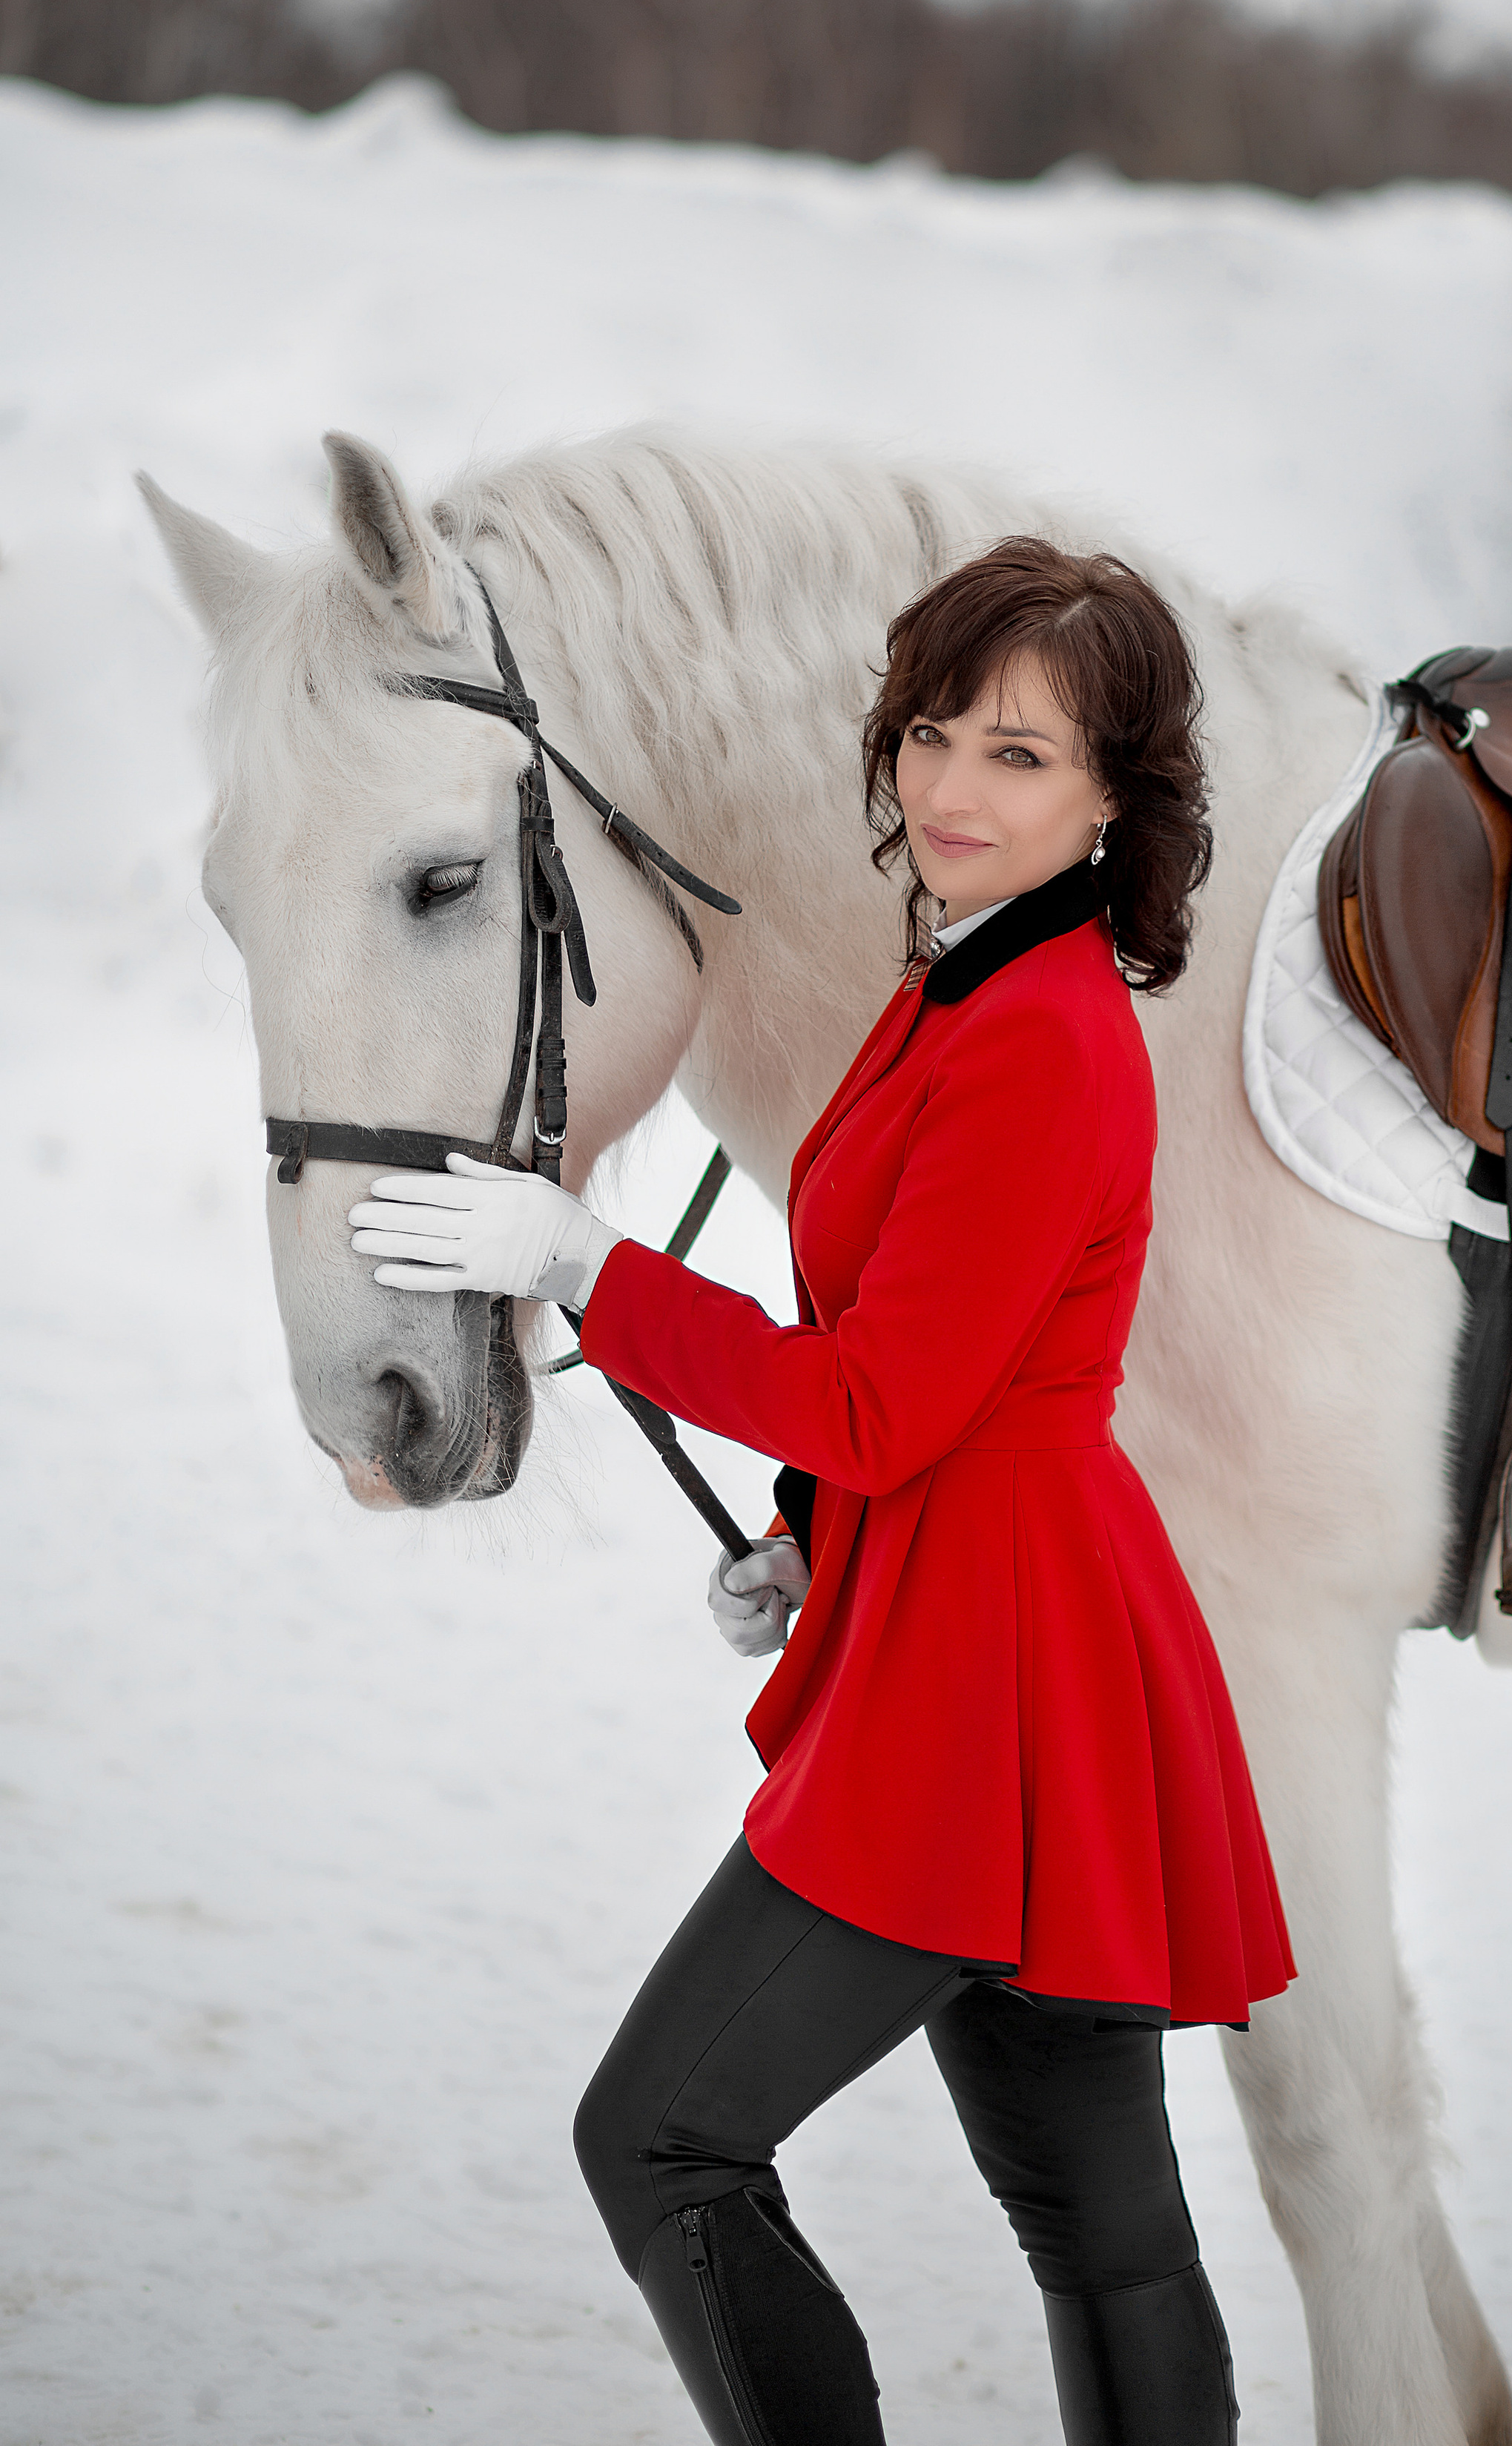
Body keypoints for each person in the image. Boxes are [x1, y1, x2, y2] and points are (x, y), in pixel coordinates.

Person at [348, 538, 1295, 2445]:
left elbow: (876, 1399)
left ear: (1116, 797)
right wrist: (809, 1538)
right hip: (1003, 1610)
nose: (948, 789)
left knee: (661, 2137)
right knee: (1099, 2227)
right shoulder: (965, 985)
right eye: (932, 732)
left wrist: (584, 1268)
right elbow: (929, 1385)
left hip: (988, 1685)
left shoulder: (1033, 1037)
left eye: (1016, 756)